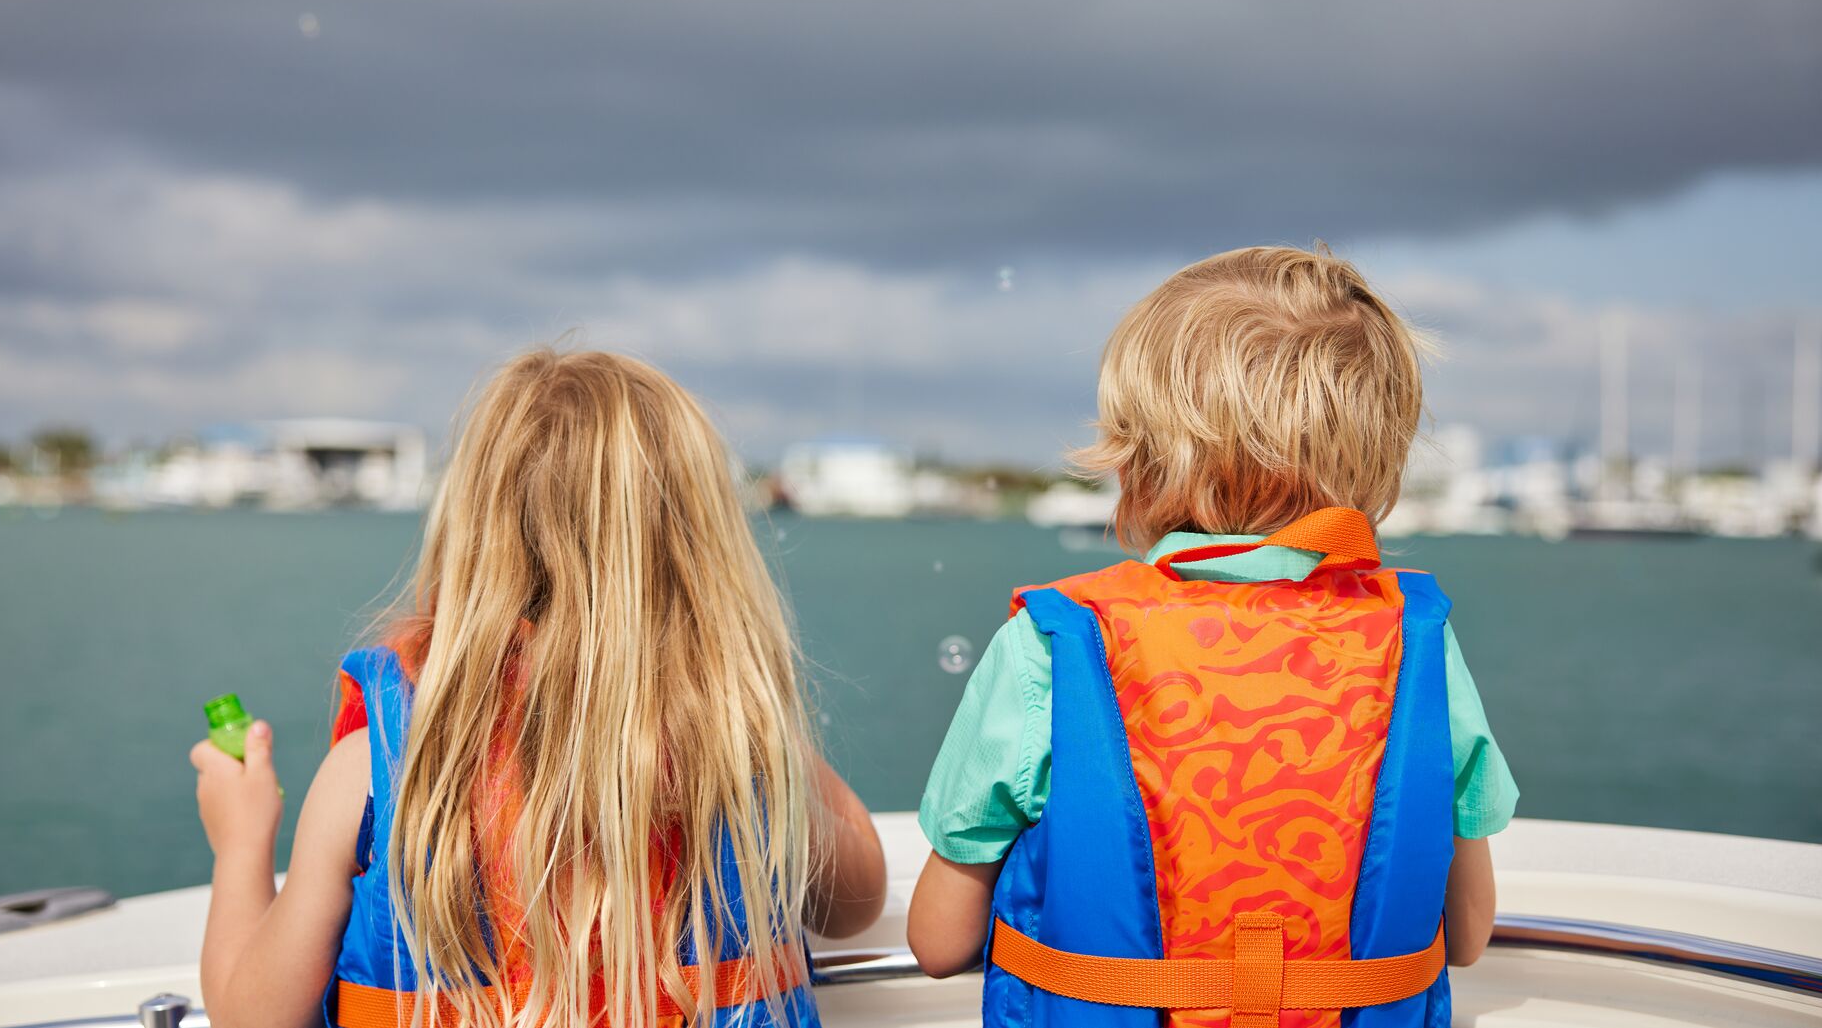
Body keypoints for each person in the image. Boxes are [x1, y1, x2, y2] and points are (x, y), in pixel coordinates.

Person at [908, 246, 1516, 1028]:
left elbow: (934, 940)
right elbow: (1465, 936)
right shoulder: (1417, 643)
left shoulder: (1052, 644)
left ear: (1141, 460)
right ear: (1378, 456)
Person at [190, 349, 886, 1027]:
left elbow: (252, 1014)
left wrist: (242, 842)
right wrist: (757, 711)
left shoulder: (377, 772)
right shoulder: (745, 750)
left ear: (472, 545)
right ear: (704, 555)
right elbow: (855, 901)